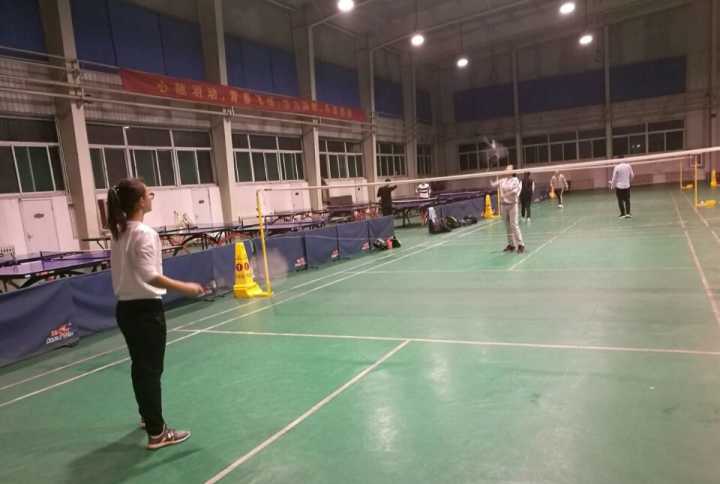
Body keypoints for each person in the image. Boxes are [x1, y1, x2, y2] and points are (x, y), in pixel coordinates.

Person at [108, 178, 204, 450]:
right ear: (140, 201)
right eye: (148, 193)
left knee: (141, 368)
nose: (151, 196)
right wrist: (185, 288)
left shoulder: (118, 232)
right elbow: (150, 276)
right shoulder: (144, 233)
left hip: (125, 310)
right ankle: (157, 433)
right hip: (145, 312)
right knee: (150, 371)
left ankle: (147, 416)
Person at [491, 166, 525, 253]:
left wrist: (505, 195)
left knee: (514, 225)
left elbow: (515, 191)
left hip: (512, 205)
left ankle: (521, 245)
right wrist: (492, 175)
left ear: (512, 171)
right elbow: (493, 184)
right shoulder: (502, 180)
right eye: (505, 168)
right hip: (503, 205)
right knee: (507, 226)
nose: (505, 170)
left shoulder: (515, 180)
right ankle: (511, 245)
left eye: (507, 169)